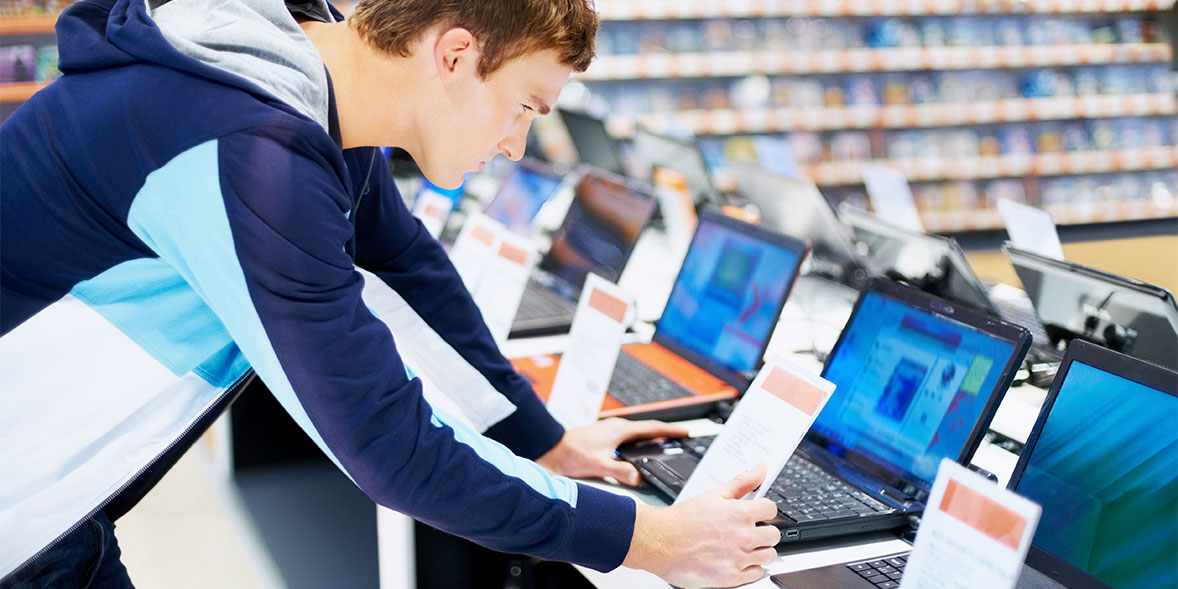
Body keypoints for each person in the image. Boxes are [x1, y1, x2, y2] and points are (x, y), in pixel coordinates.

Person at [0, 0, 781, 587]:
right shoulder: (250, 147)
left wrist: (544, 441)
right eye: (524, 108)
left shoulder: (301, 90)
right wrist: (655, 541)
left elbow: (408, 268)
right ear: (455, 54)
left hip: (54, 507)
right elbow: (386, 445)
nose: (515, 144)